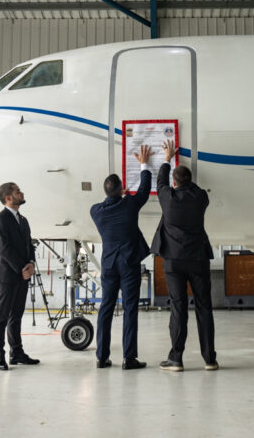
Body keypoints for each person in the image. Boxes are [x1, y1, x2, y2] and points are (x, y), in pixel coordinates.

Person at [151, 140, 218, 372]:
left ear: (173, 183)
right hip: (198, 258)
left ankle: (176, 359)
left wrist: (167, 158)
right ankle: (210, 359)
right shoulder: (200, 198)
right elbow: (196, 190)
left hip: (173, 260)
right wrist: (184, 176)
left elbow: (160, 180)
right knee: (204, 308)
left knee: (178, 308)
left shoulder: (167, 197)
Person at [90, 145, 154, 370]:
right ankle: (129, 358)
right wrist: (144, 164)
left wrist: (119, 196)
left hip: (108, 265)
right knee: (130, 309)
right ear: (121, 190)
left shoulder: (95, 211)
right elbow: (145, 190)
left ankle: (102, 357)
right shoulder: (129, 205)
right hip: (128, 263)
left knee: (105, 309)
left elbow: (110, 203)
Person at [0, 182, 40, 371]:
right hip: (6, 276)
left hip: (22, 275)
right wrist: (22, 267)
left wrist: (31, 264)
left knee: (16, 316)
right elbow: (4, 249)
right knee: (1, 317)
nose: (22, 193)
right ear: (9, 198)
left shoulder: (23, 220)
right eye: (18, 191)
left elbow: (29, 244)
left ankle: (16, 353)